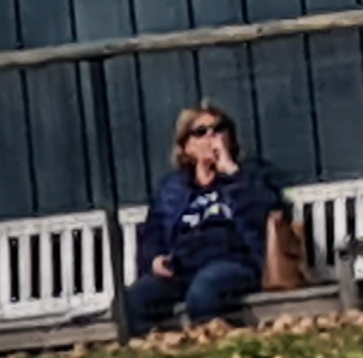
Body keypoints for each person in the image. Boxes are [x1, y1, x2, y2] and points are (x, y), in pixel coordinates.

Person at [119, 102, 283, 338]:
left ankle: (213, 347)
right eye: (201, 132)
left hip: (233, 262)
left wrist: (232, 175)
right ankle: (158, 352)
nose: (212, 137)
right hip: (182, 267)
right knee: (131, 301)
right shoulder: (172, 189)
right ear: (186, 146)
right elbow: (153, 233)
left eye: (219, 129)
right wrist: (154, 259)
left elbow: (264, 217)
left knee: (203, 292)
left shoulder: (250, 176)